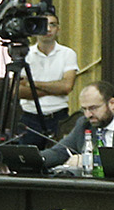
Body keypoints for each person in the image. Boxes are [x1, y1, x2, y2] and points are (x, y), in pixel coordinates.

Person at [40, 80, 114, 169]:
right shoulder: (84, 123)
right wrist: (37, 159)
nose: (88, 115)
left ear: (112, 103)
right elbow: (60, 151)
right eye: (84, 109)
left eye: (93, 108)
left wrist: (91, 160)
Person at [15, 12, 78, 146]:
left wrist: (32, 84)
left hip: (58, 117)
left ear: (58, 29)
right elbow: (18, 91)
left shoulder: (68, 53)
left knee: (60, 156)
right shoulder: (25, 54)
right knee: (29, 157)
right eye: (43, 25)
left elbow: (66, 87)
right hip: (30, 118)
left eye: (52, 25)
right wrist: (54, 89)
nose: (48, 29)